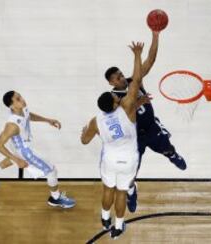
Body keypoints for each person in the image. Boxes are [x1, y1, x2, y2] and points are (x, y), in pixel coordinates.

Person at [104, 31, 187, 213]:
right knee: (130, 174)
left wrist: (155, 35)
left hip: (151, 127)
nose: (122, 78)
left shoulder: (135, 81)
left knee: (168, 148)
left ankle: (172, 155)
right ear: (112, 83)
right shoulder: (113, 98)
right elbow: (123, 115)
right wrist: (137, 103)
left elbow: (150, 60)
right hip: (133, 138)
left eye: (121, 74)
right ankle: (132, 190)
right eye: (117, 78)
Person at [81, 41, 148, 239]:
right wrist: (137, 54)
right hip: (128, 160)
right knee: (121, 193)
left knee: (107, 190)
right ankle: (118, 227)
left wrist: (85, 132)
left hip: (109, 160)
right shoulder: (126, 108)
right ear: (113, 102)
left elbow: (84, 141)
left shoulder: (96, 120)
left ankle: (104, 218)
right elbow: (136, 81)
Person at [0, 91, 75, 209]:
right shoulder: (12, 125)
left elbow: (28, 116)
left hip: (19, 145)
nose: (22, 100)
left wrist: (47, 120)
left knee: (13, 157)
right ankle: (55, 198)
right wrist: (18, 160)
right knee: (51, 170)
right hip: (25, 151)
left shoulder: (22, 109)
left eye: (20, 96)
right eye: (18, 99)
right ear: (12, 106)